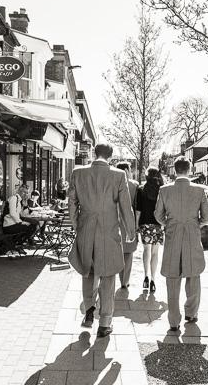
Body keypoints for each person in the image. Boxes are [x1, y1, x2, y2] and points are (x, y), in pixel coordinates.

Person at [68, 143, 135, 338]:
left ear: (93, 153)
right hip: (109, 233)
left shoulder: (78, 173)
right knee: (108, 275)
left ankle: (89, 309)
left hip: (86, 229)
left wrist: (75, 225)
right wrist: (131, 230)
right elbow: (125, 207)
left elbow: (72, 203)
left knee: (87, 271)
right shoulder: (118, 175)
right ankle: (105, 323)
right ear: (111, 156)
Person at [154, 156, 208, 332]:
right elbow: (207, 218)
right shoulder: (199, 191)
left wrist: (168, 224)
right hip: (192, 236)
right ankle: (191, 313)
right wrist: (196, 224)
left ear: (175, 170)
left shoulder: (164, 190)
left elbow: (158, 215)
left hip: (172, 236)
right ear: (189, 169)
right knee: (193, 275)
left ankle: (173, 321)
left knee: (173, 280)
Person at [136, 166, 164, 293]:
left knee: (146, 250)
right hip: (158, 224)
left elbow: (138, 210)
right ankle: (153, 280)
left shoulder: (141, 190)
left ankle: (145, 277)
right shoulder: (161, 190)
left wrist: (136, 225)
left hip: (145, 224)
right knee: (155, 253)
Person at [116, 161, 139, 289]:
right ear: (126, 170)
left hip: (115, 222)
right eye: (130, 170)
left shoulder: (113, 182)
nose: (131, 172)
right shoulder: (134, 185)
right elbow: (137, 207)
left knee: (117, 251)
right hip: (129, 222)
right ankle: (125, 281)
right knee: (128, 254)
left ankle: (116, 277)